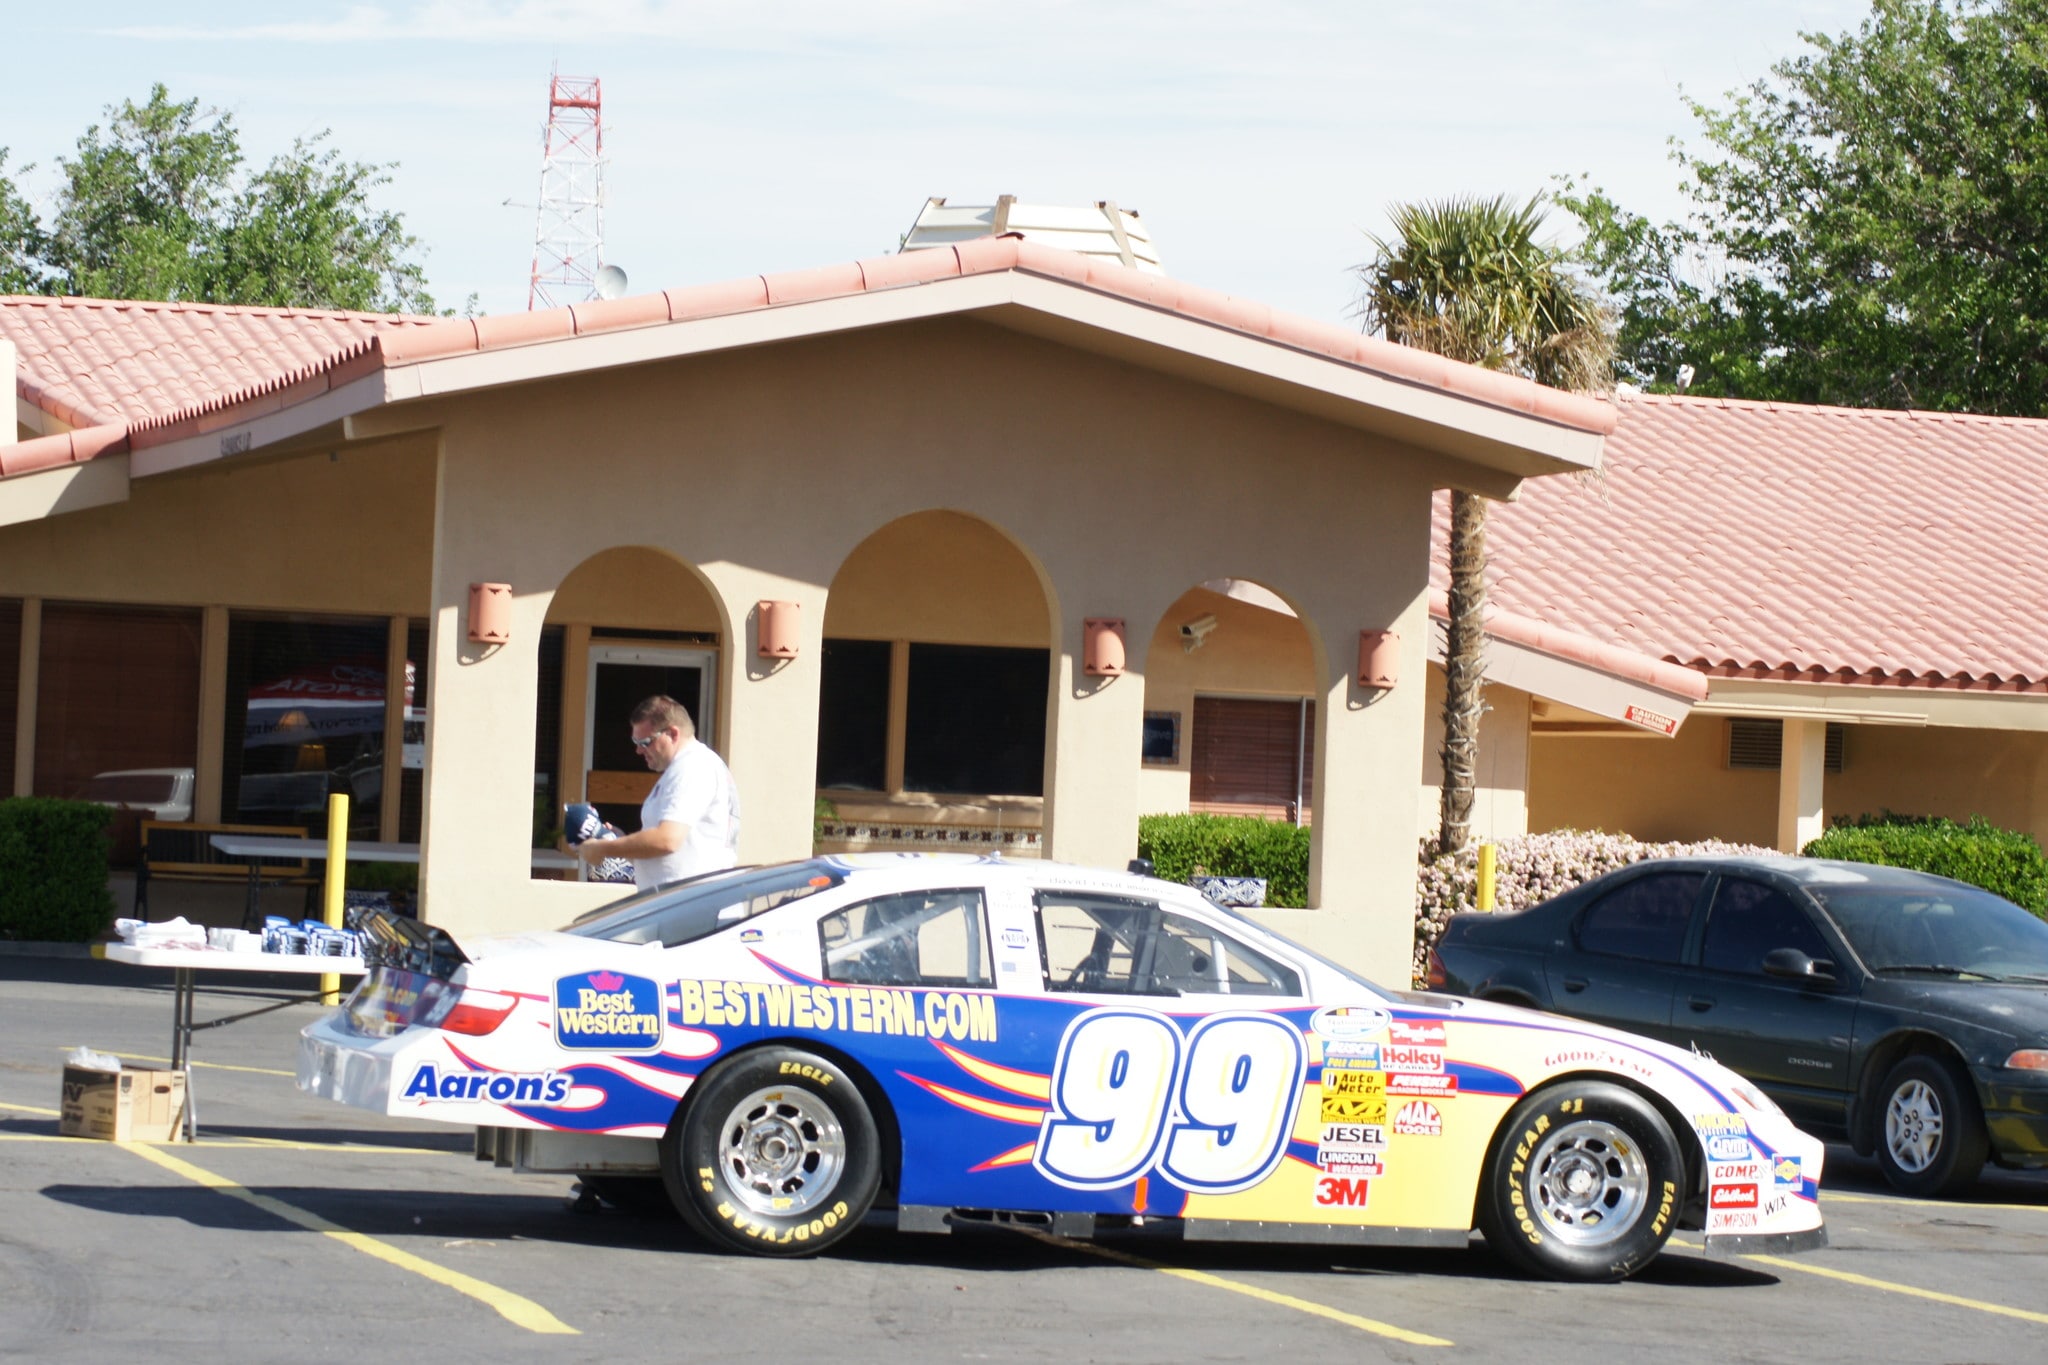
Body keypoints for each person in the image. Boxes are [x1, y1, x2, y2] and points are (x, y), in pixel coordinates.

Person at [574, 695, 740, 890]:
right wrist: (622, 840)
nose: (638, 750)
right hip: (689, 903)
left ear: (672, 734)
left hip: (691, 906)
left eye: (645, 742)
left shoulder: (691, 767)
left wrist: (602, 848)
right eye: (635, 742)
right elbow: (669, 847)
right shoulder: (692, 765)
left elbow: (667, 840)